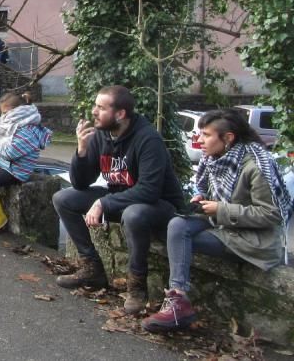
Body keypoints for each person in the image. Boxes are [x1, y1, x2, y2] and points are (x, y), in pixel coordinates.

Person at [142, 109, 291, 331]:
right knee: (175, 225)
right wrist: (204, 199)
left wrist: (221, 208)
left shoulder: (258, 165)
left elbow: (272, 214)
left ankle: (176, 304)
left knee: (178, 235)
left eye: (205, 135)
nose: (198, 139)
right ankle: (179, 300)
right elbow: (221, 194)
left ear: (228, 138)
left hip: (251, 239)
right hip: (222, 224)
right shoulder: (215, 159)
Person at [52, 85, 185, 315]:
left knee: (133, 214)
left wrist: (104, 203)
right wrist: (82, 151)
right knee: (63, 198)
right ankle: (91, 267)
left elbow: (149, 190)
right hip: (123, 199)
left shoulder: (147, 139)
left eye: (101, 108)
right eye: (95, 105)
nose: (94, 111)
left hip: (159, 206)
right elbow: (81, 183)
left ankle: (137, 287)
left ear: (120, 114)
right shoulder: (101, 135)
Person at [0, 92, 52, 235]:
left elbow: (11, 152)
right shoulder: (14, 124)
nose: (3, 117)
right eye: (2, 113)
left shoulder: (28, 129)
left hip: (18, 170)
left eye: (6, 113)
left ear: (16, 111)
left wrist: (0, 147)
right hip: (6, 164)